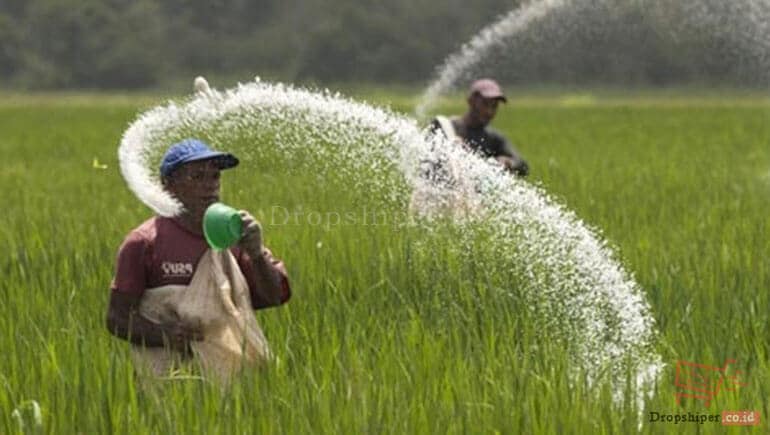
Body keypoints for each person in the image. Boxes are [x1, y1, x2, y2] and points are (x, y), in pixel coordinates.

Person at [106, 138, 290, 365]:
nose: (210, 185)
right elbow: (117, 318)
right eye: (197, 177)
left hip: (230, 379)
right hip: (167, 380)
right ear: (168, 186)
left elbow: (273, 296)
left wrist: (257, 255)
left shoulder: (233, 236)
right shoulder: (144, 242)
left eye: (214, 176)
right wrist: (165, 334)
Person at [429, 78, 529, 177]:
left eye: (494, 106)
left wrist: (508, 163)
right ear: (471, 101)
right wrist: (449, 148)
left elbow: (523, 165)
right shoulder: (445, 126)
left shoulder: (493, 138)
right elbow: (428, 163)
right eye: (485, 104)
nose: (489, 111)